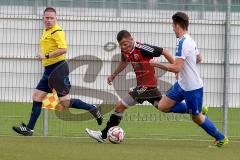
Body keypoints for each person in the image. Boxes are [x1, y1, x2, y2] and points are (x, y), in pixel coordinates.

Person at [12, 7, 102, 136]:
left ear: (56, 18)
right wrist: (44, 58)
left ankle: (92, 109)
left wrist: (46, 56)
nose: (48, 20)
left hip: (58, 69)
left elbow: (63, 49)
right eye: (46, 17)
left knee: (64, 102)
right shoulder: (46, 31)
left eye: (51, 18)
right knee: (37, 97)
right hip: (49, 70)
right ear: (43, 18)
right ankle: (29, 129)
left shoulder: (57, 31)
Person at [150, 12, 228, 147]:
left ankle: (221, 138)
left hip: (193, 87)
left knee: (196, 118)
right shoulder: (190, 40)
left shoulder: (183, 43)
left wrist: (156, 64)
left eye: (173, 26)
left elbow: (176, 68)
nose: (172, 29)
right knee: (162, 106)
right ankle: (198, 108)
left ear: (177, 25)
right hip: (182, 84)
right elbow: (199, 58)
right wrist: (188, 65)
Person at [85, 30, 175, 143]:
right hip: (149, 88)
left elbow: (164, 51)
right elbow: (124, 61)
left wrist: (175, 68)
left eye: (125, 44)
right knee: (164, 108)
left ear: (132, 39)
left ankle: (102, 135)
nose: (123, 47)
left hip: (146, 87)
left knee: (119, 107)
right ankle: (192, 110)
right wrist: (113, 75)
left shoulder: (142, 48)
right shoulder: (125, 50)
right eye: (121, 45)